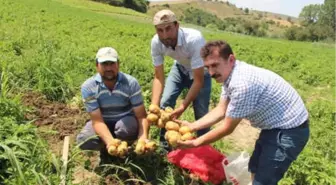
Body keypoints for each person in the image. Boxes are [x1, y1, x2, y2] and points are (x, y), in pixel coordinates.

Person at [177, 40, 310, 185]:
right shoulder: (229, 75)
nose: (211, 73)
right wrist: (191, 127)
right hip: (274, 126)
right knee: (255, 167)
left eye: (215, 65)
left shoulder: (242, 84)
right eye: (207, 67)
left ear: (231, 59)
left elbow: (227, 128)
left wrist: (196, 142)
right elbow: (221, 110)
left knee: (264, 180)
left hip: (289, 131)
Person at [150, 9, 212, 148]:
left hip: (202, 73)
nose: (165, 35)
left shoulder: (194, 40)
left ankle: (203, 148)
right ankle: (165, 145)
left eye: (168, 29)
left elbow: (198, 80)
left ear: (177, 25)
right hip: (180, 69)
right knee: (165, 102)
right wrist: (154, 106)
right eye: (160, 30)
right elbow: (159, 77)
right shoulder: (156, 42)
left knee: (201, 112)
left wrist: (183, 107)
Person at [76, 47, 150, 161]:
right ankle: (107, 149)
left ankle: (126, 147)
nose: (109, 68)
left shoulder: (131, 83)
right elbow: (97, 121)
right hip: (103, 121)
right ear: (97, 66)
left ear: (118, 64)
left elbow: (141, 116)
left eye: (112, 63)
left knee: (126, 128)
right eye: (104, 64)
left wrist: (143, 137)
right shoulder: (89, 87)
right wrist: (111, 143)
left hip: (125, 121)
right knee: (85, 140)